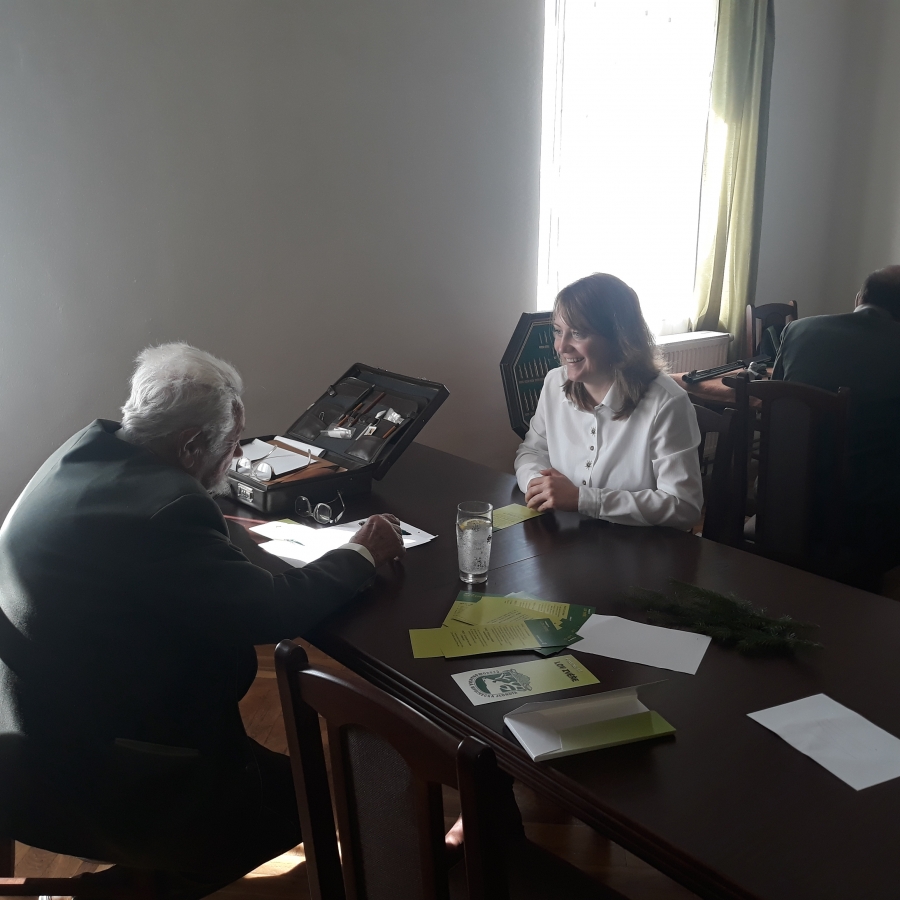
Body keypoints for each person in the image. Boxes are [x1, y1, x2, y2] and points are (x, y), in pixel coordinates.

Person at [0, 343, 405, 899]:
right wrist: (361, 554)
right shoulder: (168, 511)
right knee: (301, 803)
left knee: (279, 784)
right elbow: (271, 610)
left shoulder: (88, 449)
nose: (236, 456)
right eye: (231, 443)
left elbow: (158, 550)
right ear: (190, 445)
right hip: (91, 765)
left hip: (26, 723)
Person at [515, 273, 703, 529]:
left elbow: (684, 505)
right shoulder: (553, 383)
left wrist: (583, 499)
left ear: (619, 339)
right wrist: (540, 486)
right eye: (558, 331)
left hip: (642, 546)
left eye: (578, 333)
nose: (561, 346)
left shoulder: (667, 403)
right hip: (570, 537)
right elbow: (532, 451)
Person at [772, 266, 900, 586]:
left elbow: (775, 399)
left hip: (787, 498)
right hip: (867, 519)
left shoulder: (798, 330)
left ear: (859, 298)